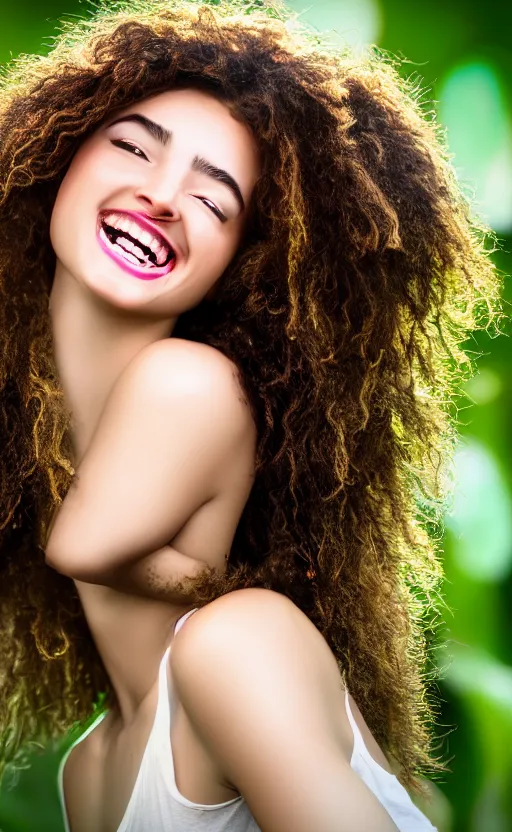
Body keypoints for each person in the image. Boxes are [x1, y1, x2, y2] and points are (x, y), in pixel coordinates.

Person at [0, 0, 503, 830]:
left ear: (245, 268)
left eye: (214, 199)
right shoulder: (89, 772)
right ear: (55, 156)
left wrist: (216, 584)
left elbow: (79, 543)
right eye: (131, 146)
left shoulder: (235, 642)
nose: (160, 195)